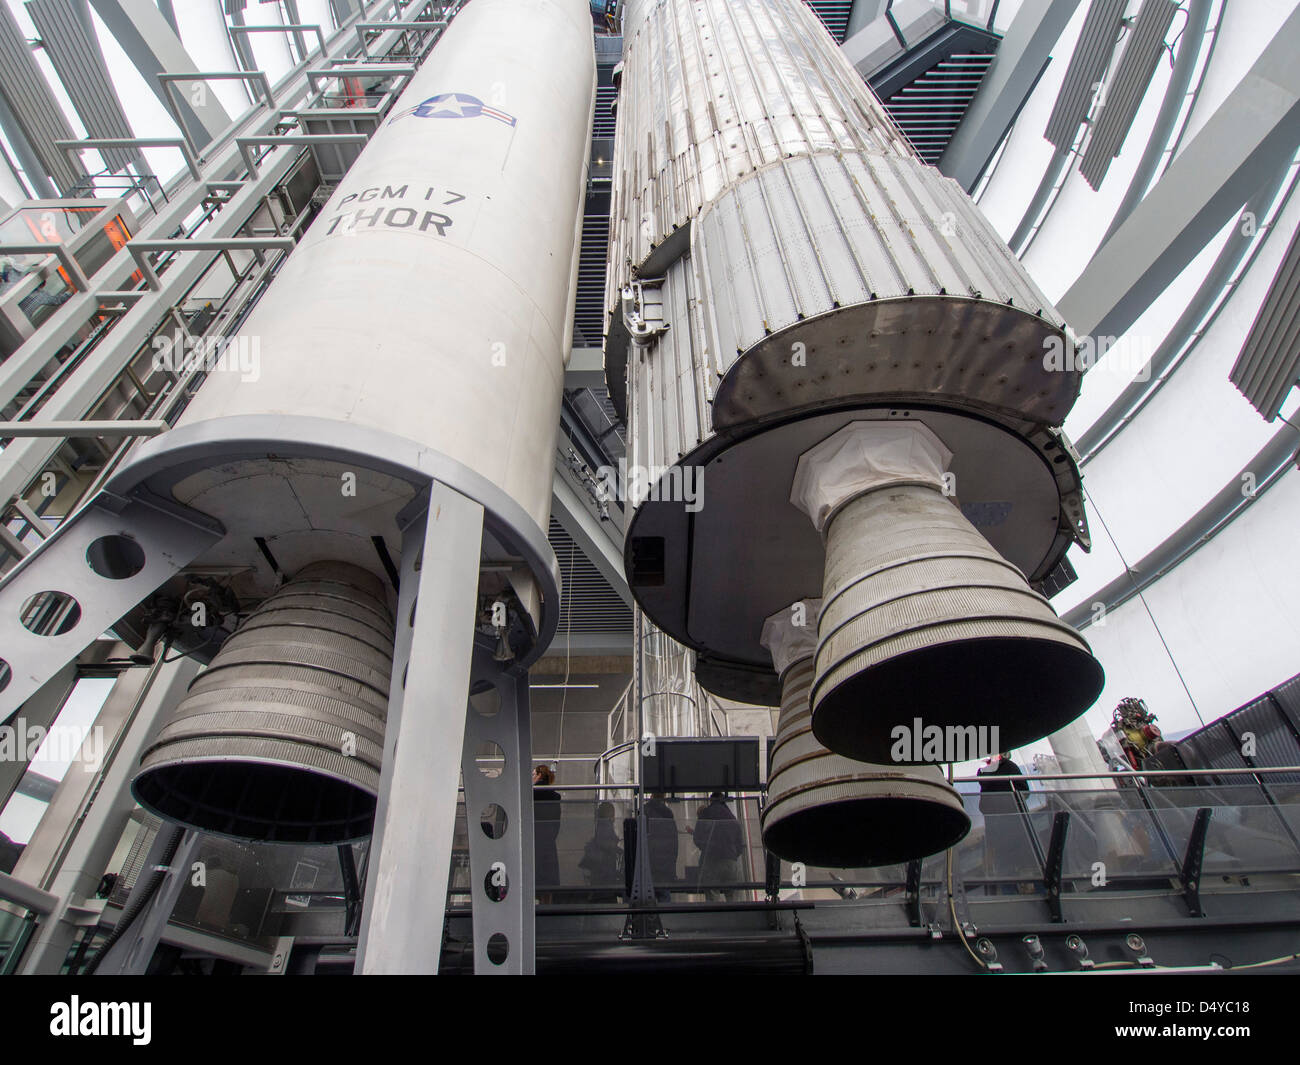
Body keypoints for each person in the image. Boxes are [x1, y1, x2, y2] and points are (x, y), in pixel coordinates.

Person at [977, 752, 1035, 895]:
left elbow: (1023, 791)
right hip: (1000, 823)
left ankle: (1023, 889)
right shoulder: (985, 771)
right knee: (1006, 863)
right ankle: (1011, 890)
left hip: (1011, 821)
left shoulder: (1009, 768)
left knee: (1018, 860)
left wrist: (1007, 802)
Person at [691, 792, 745, 901]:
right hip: (730, 860)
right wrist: (733, 854)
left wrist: (706, 848)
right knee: (732, 895)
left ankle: (715, 916)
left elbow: (697, 838)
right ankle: (734, 917)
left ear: (711, 800)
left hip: (711, 860)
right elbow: (740, 844)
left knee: (712, 894)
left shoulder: (705, 814)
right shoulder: (732, 818)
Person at [578, 801, 622, 902]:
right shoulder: (606, 825)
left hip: (600, 870)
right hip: (605, 870)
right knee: (606, 897)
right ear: (610, 814)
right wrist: (615, 847)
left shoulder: (599, 825)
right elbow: (604, 843)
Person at [533, 764, 562, 901]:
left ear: (539, 775)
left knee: (532, 877)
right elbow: (557, 823)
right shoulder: (555, 796)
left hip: (532, 840)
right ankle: (547, 908)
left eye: (533, 774)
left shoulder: (530, 794)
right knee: (548, 880)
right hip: (548, 841)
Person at [643, 792, 678, 902]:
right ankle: (665, 918)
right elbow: (674, 843)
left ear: (651, 796)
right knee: (664, 896)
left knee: (647, 898)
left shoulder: (644, 811)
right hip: (665, 866)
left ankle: (648, 918)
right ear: (664, 797)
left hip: (648, 864)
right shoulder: (668, 814)